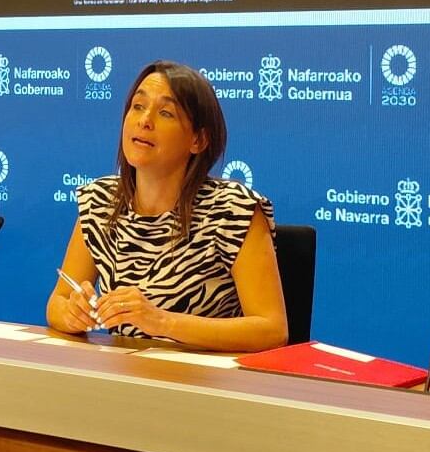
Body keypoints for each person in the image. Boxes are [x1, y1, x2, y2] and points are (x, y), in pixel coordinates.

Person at [46, 60, 287, 351]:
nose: (144, 120)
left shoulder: (232, 210)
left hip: (206, 386)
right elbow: (57, 303)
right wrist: (73, 313)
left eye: (165, 113)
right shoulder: (101, 201)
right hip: (121, 379)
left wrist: (161, 322)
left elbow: (272, 329)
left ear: (198, 140)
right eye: (137, 106)